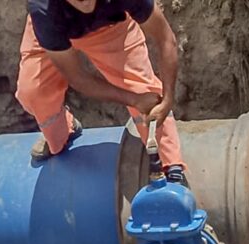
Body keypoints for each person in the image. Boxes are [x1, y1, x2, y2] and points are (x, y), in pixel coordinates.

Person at [15, 0, 187, 182]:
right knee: (33, 92)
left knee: (141, 87)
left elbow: (165, 38)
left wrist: (167, 99)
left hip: (110, 27)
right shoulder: (43, 10)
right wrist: (134, 99)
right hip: (58, 28)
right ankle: (62, 133)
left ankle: (170, 165)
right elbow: (78, 78)